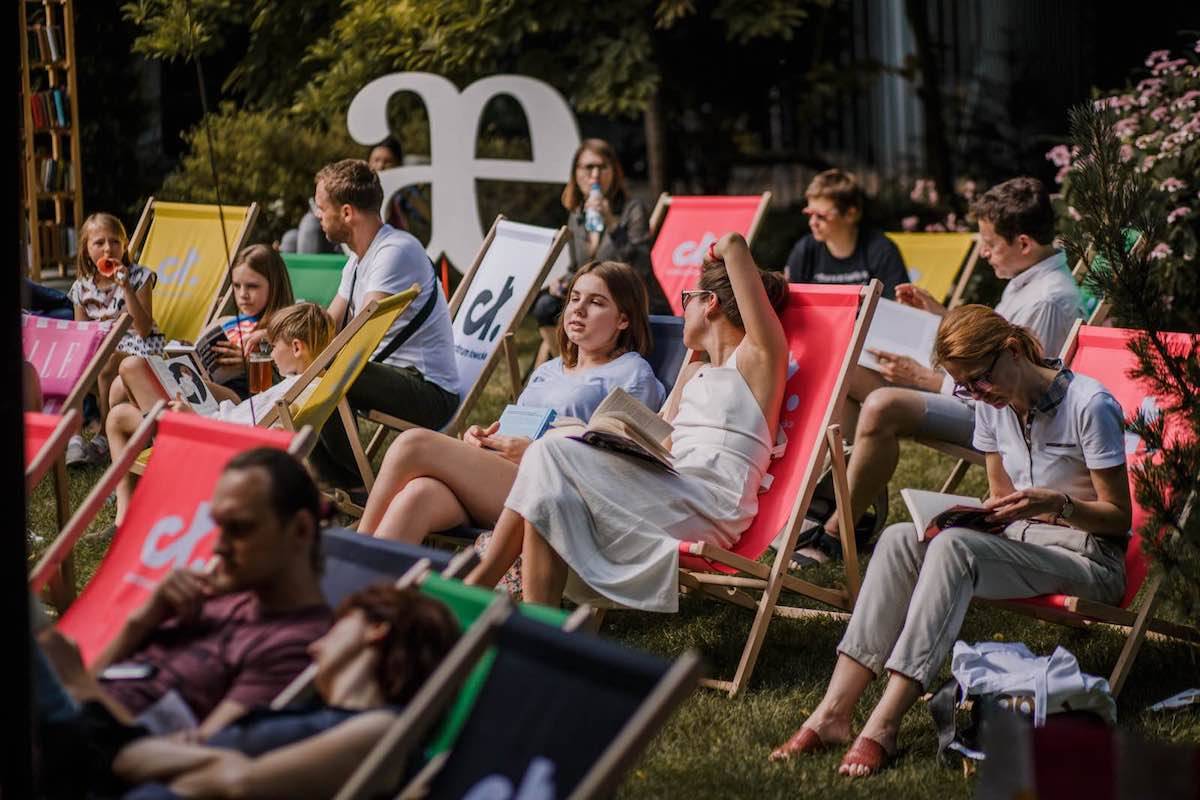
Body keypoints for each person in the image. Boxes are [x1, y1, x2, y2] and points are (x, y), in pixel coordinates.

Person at [771, 304, 1131, 777]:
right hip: (1025, 538)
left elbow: (1118, 518)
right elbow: (1001, 499)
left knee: (953, 549)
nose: (978, 394)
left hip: (1089, 557)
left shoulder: (1090, 405)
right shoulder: (993, 406)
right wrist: (966, 517)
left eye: (980, 380)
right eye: (966, 388)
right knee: (902, 537)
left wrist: (1058, 504)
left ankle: (883, 723)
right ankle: (834, 711)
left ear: (1013, 350)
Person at [466, 232, 789, 610]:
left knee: (548, 453)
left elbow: (735, 243)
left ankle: (480, 581)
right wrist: (589, 432)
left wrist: (716, 254)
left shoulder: (757, 363)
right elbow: (657, 445)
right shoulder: (694, 373)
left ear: (710, 303)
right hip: (667, 490)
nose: (681, 309)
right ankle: (542, 637)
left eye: (688, 299)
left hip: (707, 507)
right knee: (552, 493)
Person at [795, 176, 1086, 565]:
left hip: (998, 419)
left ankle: (834, 532)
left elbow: (1013, 395)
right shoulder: (1025, 280)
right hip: (976, 397)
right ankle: (842, 504)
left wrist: (925, 379)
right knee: (847, 372)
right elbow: (992, 352)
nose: (983, 253)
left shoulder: (1046, 301)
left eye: (989, 244)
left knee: (883, 405)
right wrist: (941, 315)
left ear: (1023, 244)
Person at [358, 259, 666, 546]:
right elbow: (517, 426)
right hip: (503, 480)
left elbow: (623, 464)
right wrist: (486, 439)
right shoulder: (549, 369)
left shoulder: (632, 373)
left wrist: (533, 451)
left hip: (557, 491)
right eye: (574, 298)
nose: (578, 309)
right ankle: (361, 595)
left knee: (413, 444)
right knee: (418, 495)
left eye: (596, 302)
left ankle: (351, 552)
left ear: (623, 320)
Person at [38, 448, 334, 740]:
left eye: (239, 529)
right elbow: (100, 682)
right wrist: (139, 624)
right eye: (219, 527)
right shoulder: (210, 597)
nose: (218, 547)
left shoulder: (297, 643)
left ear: (300, 530)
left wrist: (75, 681)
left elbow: (197, 759)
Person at [110, 584, 460, 800]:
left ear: (377, 629)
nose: (314, 646)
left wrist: (195, 762)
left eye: (337, 626)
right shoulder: (309, 714)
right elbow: (129, 760)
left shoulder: (384, 731)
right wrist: (216, 764)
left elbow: (239, 785)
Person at [107, 303, 335, 523]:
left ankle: (134, 510)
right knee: (128, 388)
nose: (272, 355)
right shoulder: (313, 384)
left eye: (273, 346)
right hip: (220, 419)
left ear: (296, 348)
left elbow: (244, 440)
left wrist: (192, 420)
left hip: (207, 442)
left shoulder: (294, 390)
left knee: (120, 408)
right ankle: (131, 507)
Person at [312, 158, 460, 489]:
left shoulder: (395, 251)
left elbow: (360, 336)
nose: (317, 215)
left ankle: (353, 488)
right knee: (306, 362)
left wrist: (307, 354)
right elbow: (327, 326)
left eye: (321, 207)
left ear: (347, 212)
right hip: (392, 378)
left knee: (322, 369)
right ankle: (340, 485)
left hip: (429, 392)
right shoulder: (356, 259)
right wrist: (279, 333)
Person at [530, 139, 670, 361]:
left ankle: (579, 366)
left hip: (633, 301)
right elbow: (578, 268)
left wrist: (612, 224)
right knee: (546, 306)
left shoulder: (632, 209)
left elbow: (641, 267)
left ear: (614, 172)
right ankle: (569, 367)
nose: (595, 174)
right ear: (576, 174)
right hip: (597, 299)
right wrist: (564, 281)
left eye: (602, 167)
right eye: (588, 167)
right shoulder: (577, 215)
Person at [65, 212, 165, 466]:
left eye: (115, 242)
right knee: (71, 364)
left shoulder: (140, 277)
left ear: (125, 246)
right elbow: (81, 334)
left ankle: (103, 437)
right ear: (87, 250)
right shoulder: (81, 288)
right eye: (99, 243)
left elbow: (143, 328)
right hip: (98, 349)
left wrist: (126, 287)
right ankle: (75, 439)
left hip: (138, 348)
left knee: (108, 361)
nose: (108, 248)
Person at [784, 169, 909, 300]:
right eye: (809, 214)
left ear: (850, 214)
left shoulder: (881, 250)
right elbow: (790, 305)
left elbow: (897, 309)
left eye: (821, 216)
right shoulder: (805, 250)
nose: (812, 222)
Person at [196, 244, 297, 400]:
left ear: (275, 286)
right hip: (211, 396)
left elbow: (286, 385)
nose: (243, 294)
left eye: (252, 286)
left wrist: (250, 365)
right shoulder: (224, 322)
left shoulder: (284, 329)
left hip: (245, 404)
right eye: (236, 286)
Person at [367, 136, 431, 239]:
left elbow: (427, 218)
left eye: (388, 161)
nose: (381, 166)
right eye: (376, 160)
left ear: (398, 165)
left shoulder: (405, 194)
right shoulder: (360, 191)